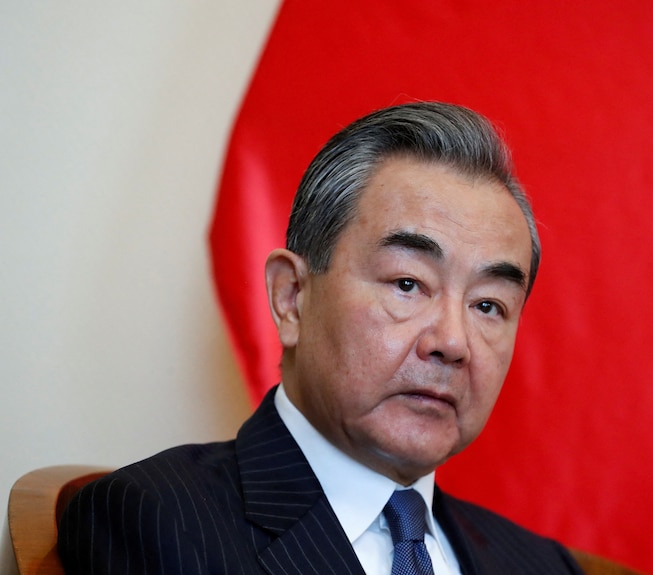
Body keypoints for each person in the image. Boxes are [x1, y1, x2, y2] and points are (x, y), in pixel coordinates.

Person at [59, 102, 584, 574]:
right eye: (407, 284)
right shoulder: (157, 519)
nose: (452, 341)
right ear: (292, 298)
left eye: (488, 305)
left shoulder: (543, 565)